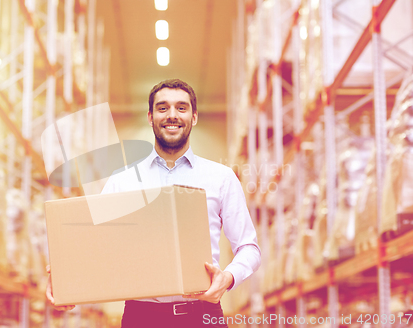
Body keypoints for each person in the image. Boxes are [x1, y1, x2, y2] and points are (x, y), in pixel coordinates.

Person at [46, 79, 261, 327]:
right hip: (141, 317)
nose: (172, 115)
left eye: (181, 108)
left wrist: (229, 278)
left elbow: (249, 248)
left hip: (203, 314)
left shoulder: (221, 178)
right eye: (162, 108)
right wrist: (66, 278)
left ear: (194, 117)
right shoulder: (123, 181)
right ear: (150, 117)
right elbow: (95, 246)